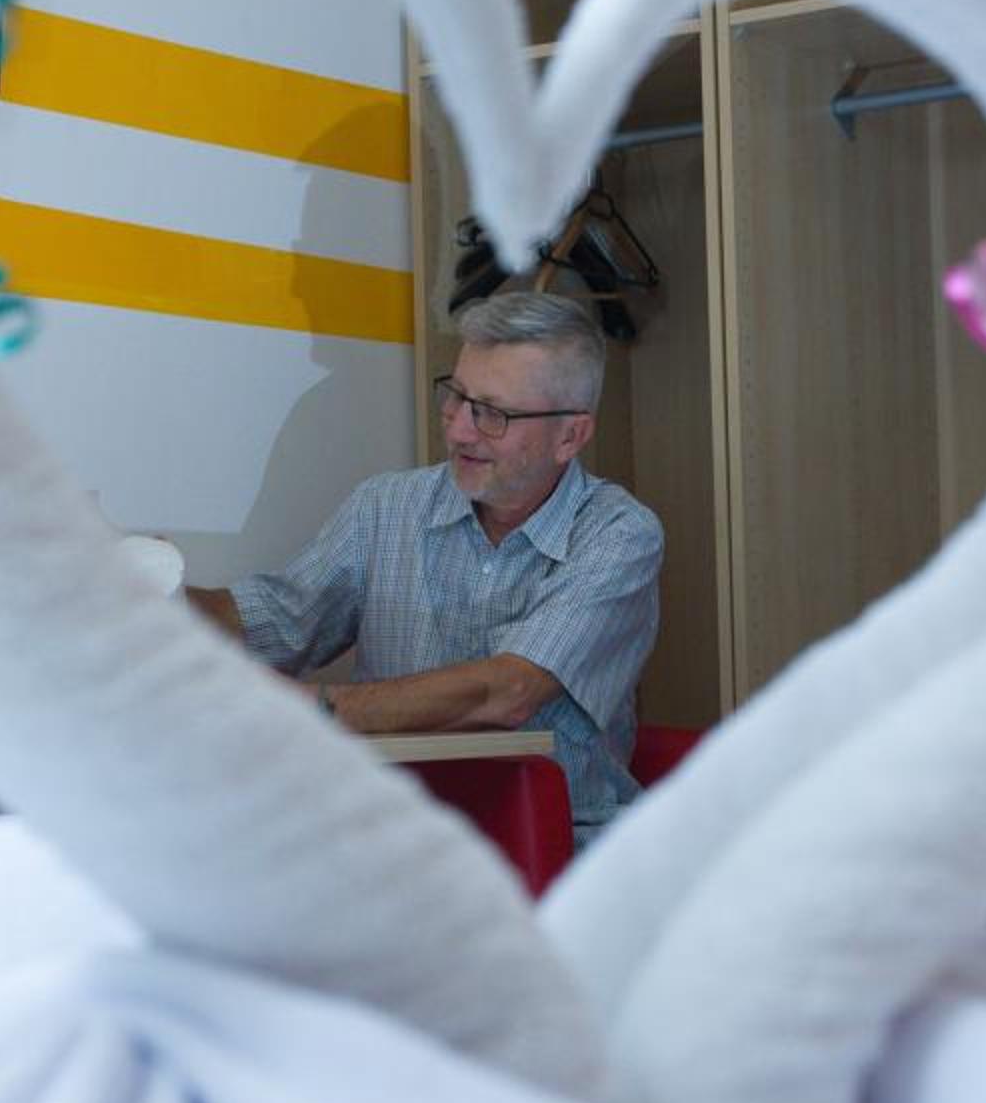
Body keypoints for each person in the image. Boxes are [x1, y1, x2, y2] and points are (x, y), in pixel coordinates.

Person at [188, 291, 663, 832]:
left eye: (493, 414)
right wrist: (157, 595)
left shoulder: (619, 535)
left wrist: (318, 711)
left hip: (553, 843)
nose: (458, 429)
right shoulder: (384, 506)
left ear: (570, 436)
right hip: (393, 834)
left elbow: (508, 691)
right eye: (456, 397)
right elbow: (277, 619)